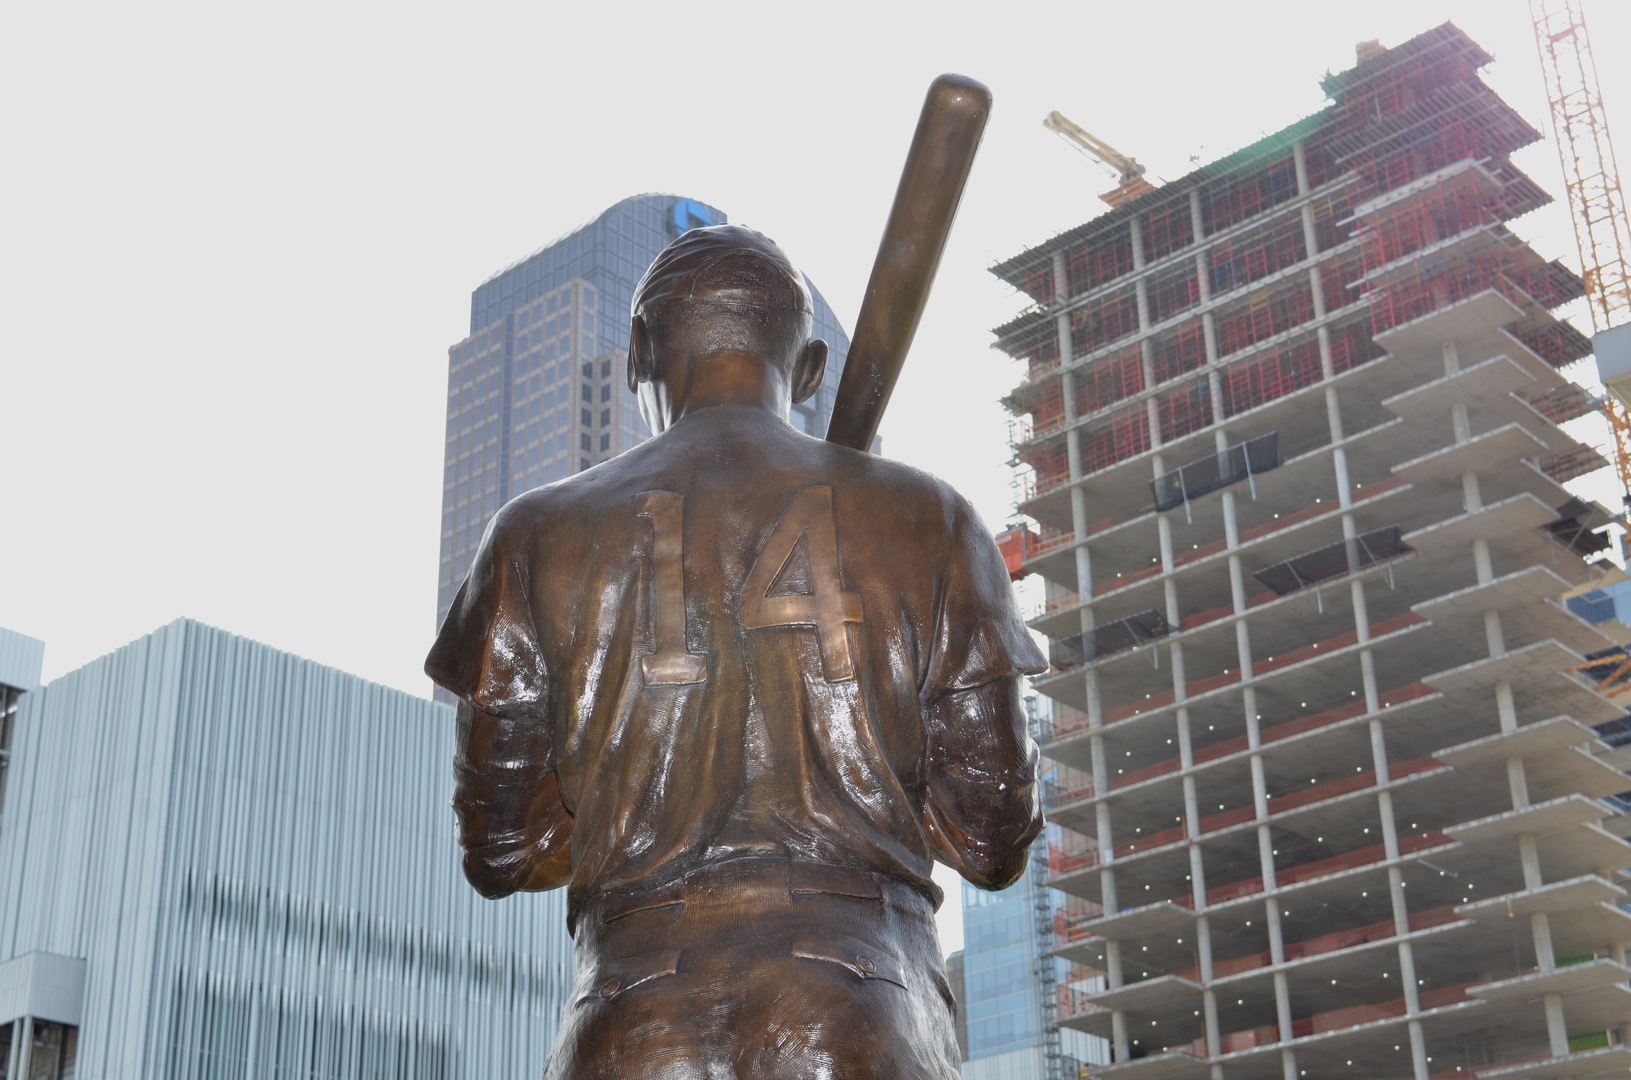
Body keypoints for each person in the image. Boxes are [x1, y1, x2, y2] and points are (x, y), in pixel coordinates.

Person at [426, 224, 1044, 1079]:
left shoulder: (532, 534)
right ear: (814, 367)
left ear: (640, 349)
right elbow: (993, 837)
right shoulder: (929, 519)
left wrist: (622, 798)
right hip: (861, 1001)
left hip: (631, 1014)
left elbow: (497, 853)